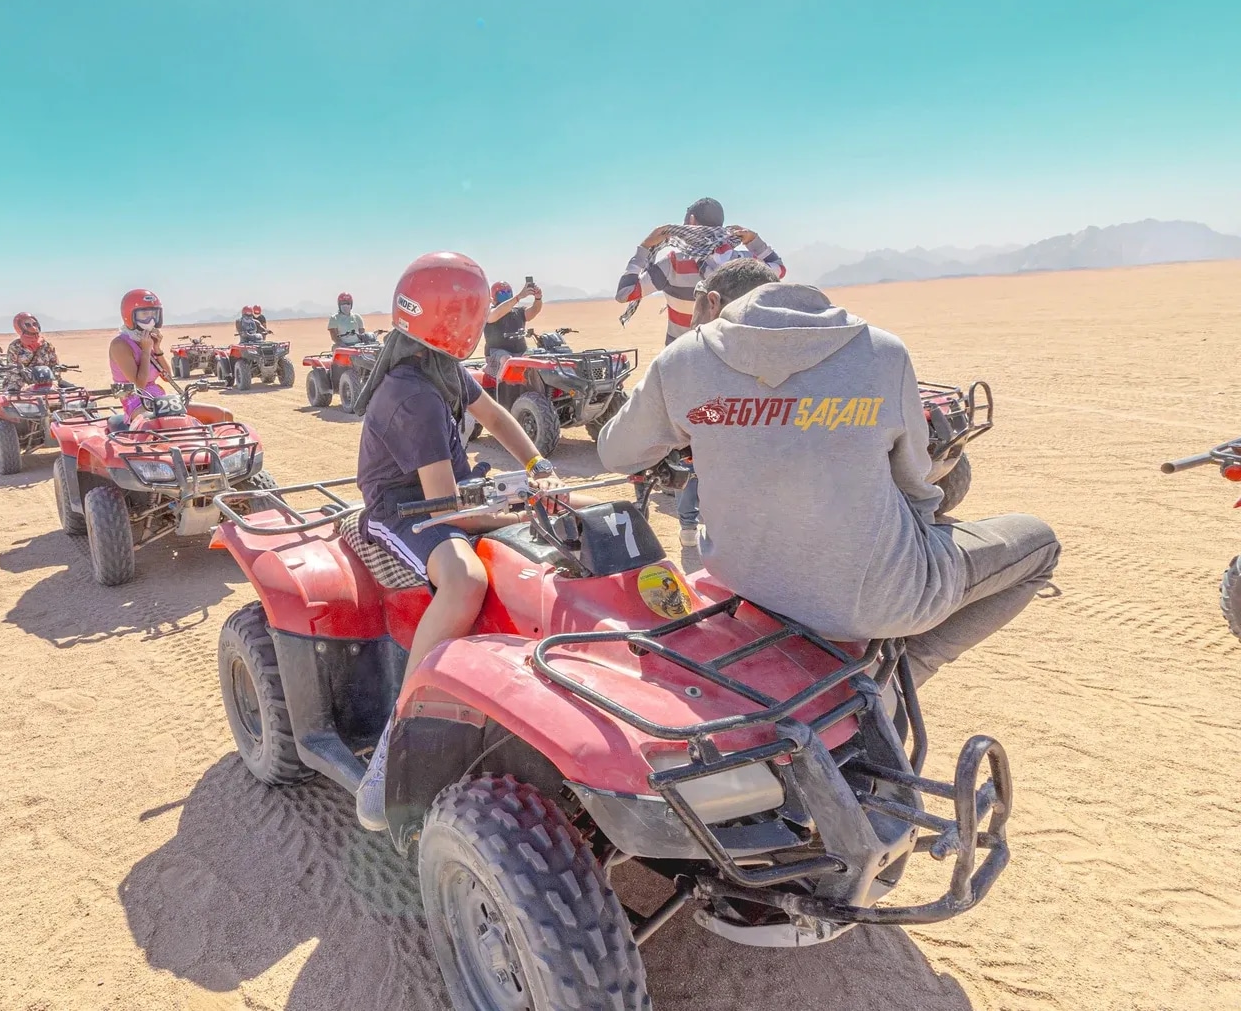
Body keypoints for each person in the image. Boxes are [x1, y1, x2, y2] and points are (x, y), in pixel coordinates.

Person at [597, 267, 1060, 686]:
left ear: (715, 303)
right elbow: (918, 481)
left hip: (743, 578)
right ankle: (898, 682)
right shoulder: (883, 352)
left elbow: (616, 452)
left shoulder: (683, 360)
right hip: (871, 598)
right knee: (1039, 543)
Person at [351, 251, 560, 832]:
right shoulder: (411, 394)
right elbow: (441, 506)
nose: (479, 321)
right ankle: (401, 727)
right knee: (465, 580)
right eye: (471, 312)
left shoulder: (444, 369)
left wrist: (539, 466)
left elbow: (495, 417)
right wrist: (515, 508)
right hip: (402, 508)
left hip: (450, 493)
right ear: (454, 320)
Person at [615, 197, 786, 546]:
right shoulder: (741, 261)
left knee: (688, 440)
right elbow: (778, 271)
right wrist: (754, 241)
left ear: (689, 221)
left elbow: (626, 292)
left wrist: (644, 249)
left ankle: (687, 525)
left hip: (685, 361)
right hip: (740, 364)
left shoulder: (673, 260)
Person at [108, 289, 172, 418]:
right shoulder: (120, 345)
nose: (151, 319)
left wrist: (157, 348)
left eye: (154, 314)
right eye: (144, 314)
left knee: (217, 414)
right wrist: (146, 351)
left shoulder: (145, 340)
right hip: (137, 402)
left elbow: (168, 378)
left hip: (159, 399)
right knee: (158, 423)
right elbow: (139, 386)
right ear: (130, 315)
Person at [482, 279, 543, 379]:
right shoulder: (490, 312)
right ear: (494, 297)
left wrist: (538, 299)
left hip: (520, 352)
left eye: (508, 292)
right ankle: (501, 389)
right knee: (507, 360)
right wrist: (519, 297)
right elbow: (496, 314)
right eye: (501, 293)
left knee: (536, 357)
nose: (506, 295)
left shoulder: (518, 311)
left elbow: (533, 311)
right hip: (496, 354)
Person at [4, 312, 61, 389]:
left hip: (47, 383)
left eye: (34, 324)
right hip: (21, 384)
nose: (33, 327)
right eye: (27, 325)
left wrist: (55, 380)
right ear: (19, 327)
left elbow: (55, 365)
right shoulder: (15, 346)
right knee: (12, 396)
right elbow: (12, 370)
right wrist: (24, 386)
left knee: (73, 393)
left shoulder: (46, 345)